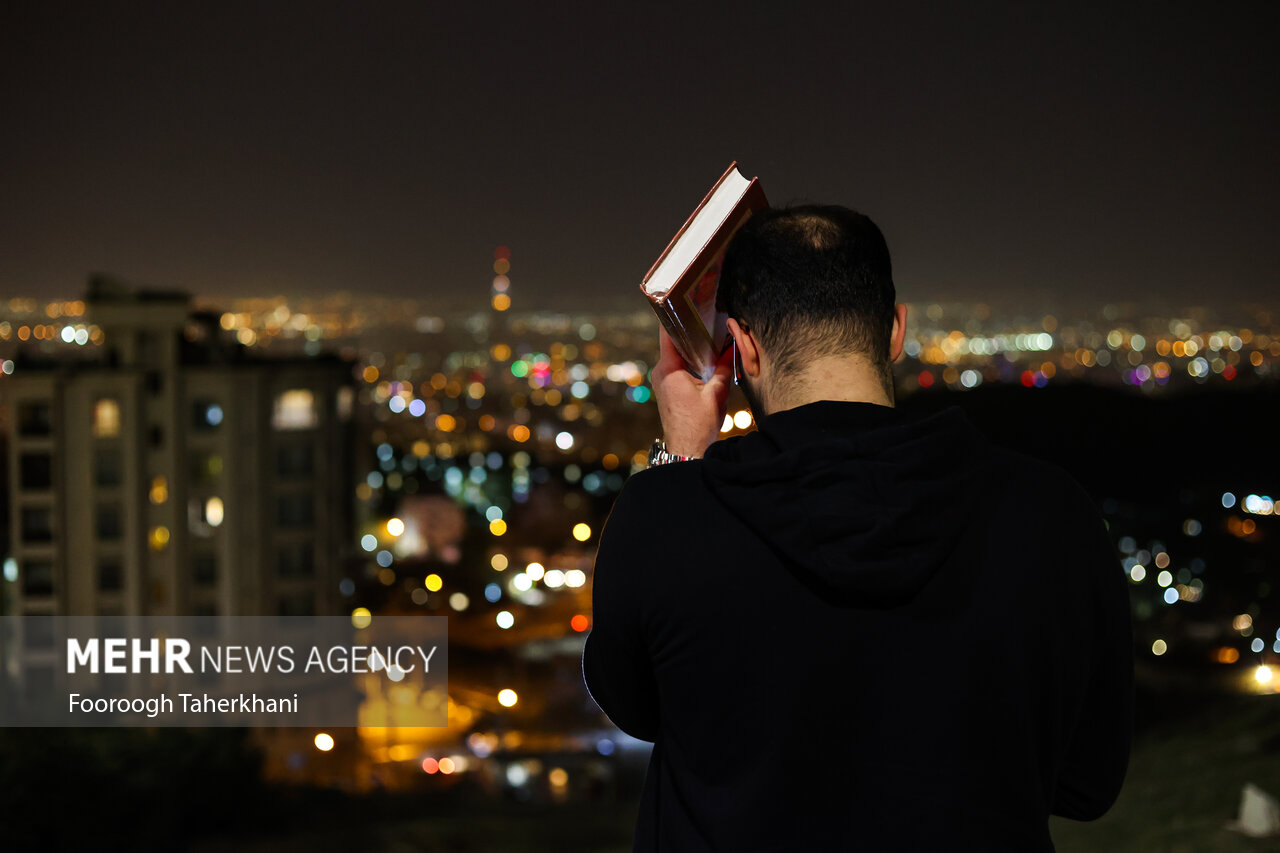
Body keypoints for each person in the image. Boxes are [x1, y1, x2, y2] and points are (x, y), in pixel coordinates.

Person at [582, 204, 1134, 851]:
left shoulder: (663, 518)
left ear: (746, 347)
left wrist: (683, 461)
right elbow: (1090, 782)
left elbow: (635, 705)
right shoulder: (1053, 512)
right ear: (895, 331)